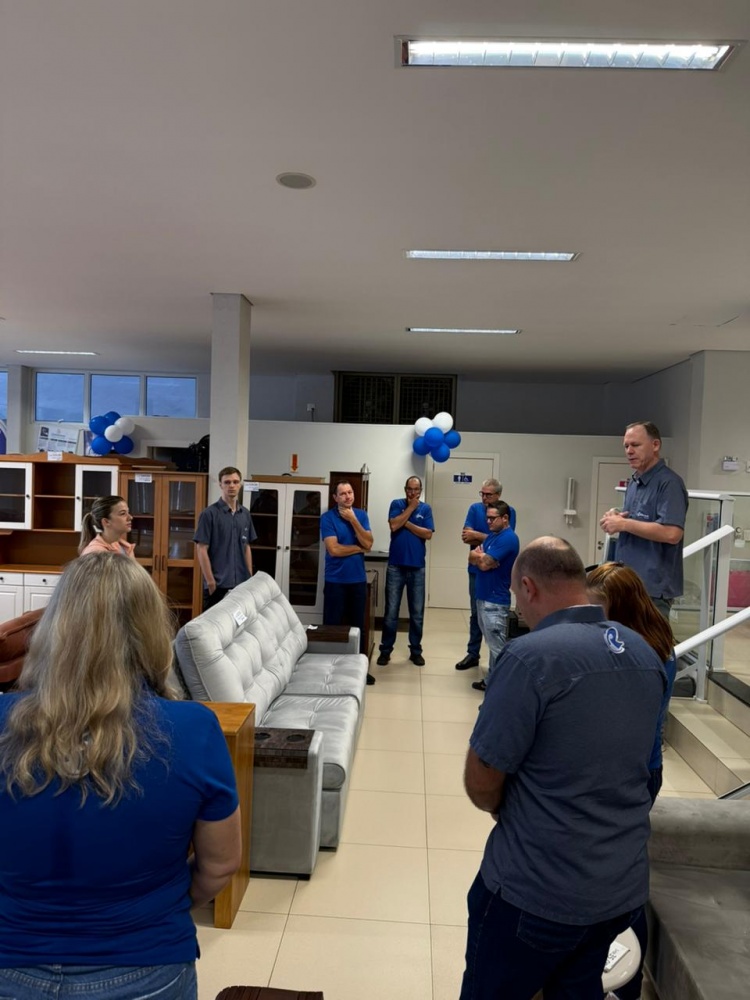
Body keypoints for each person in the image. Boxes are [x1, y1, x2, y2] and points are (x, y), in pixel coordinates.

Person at [0, 553, 241, 999]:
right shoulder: (194, 730)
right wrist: (158, 906)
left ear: (53, 629)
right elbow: (220, 865)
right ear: (151, 632)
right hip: (147, 966)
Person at [460, 537, 666, 1000]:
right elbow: (647, 771)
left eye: (516, 596)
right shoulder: (645, 654)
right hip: (619, 892)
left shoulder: (529, 657)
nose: (518, 607)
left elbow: (482, 779)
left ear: (528, 587)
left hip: (536, 892)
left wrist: (507, 807)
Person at [586, 560, 677, 1000]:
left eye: (597, 608)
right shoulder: (655, 644)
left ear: (619, 607)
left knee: (617, 875)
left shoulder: (640, 655)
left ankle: (621, 980)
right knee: (619, 866)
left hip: (631, 773)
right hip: (641, 768)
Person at [600, 421, 688, 618]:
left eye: (635, 445)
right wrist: (616, 517)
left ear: (655, 445)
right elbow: (637, 520)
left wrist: (624, 524)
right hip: (627, 583)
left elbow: (672, 533)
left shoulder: (669, 483)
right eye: (626, 446)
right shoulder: (634, 482)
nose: (629, 451)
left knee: (650, 639)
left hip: (652, 590)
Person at [456, 479, 516, 671]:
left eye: (488, 494)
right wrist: (486, 540)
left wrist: (480, 538)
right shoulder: (475, 509)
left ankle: (496, 673)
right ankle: (473, 653)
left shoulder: (508, 511)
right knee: (477, 614)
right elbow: (467, 537)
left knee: (493, 622)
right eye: (482, 493)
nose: (484, 497)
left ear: (498, 495)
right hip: (476, 572)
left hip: (495, 577)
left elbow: (503, 538)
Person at [320, 480, 375, 685]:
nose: (347, 496)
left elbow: (369, 543)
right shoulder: (327, 518)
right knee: (333, 626)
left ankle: (359, 670)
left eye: (350, 492)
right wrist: (358, 548)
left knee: (358, 627)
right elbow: (334, 549)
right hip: (335, 581)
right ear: (335, 498)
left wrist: (353, 520)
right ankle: (330, 670)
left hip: (357, 580)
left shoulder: (361, 515)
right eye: (342, 494)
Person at [377, 476, 435, 667]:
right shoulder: (396, 504)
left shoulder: (426, 509)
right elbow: (394, 525)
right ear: (405, 489)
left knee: (417, 614)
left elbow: (428, 534)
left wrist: (406, 522)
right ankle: (385, 651)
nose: (412, 492)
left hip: (417, 568)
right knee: (391, 612)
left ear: (421, 491)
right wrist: (410, 509)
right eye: (409, 489)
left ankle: (416, 651)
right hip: (396, 567)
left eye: (416, 489)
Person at [467, 501, 519, 692]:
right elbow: (473, 558)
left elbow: (484, 563)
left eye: (492, 518)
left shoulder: (508, 538)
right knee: (492, 644)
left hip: (495, 602)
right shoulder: (491, 537)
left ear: (505, 518)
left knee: (498, 648)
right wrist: (479, 557)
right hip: (483, 597)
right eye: (487, 518)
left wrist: (481, 558)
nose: (488, 521)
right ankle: (491, 681)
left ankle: (501, 689)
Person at [194, 466, 256, 610]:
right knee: (214, 624)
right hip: (218, 585)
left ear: (240, 485)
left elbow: (246, 546)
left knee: (240, 622)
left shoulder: (245, 514)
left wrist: (250, 577)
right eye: (227, 482)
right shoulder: (209, 514)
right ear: (220, 485)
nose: (231, 486)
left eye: (235, 482)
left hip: (241, 585)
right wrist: (211, 582)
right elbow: (201, 549)